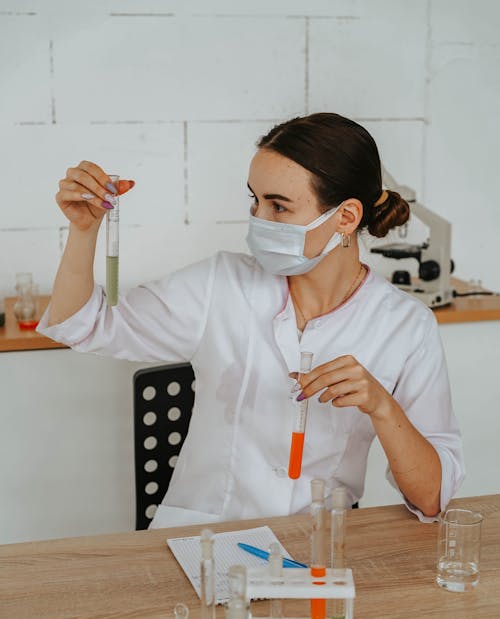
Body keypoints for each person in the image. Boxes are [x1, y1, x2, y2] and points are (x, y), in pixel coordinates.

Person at [38, 112, 464, 527]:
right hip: (199, 538)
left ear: (346, 218)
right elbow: (85, 322)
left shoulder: (406, 326)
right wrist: (83, 232)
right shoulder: (220, 284)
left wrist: (381, 406)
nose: (259, 220)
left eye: (279, 207)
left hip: (314, 547)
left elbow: (431, 499)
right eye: (255, 200)